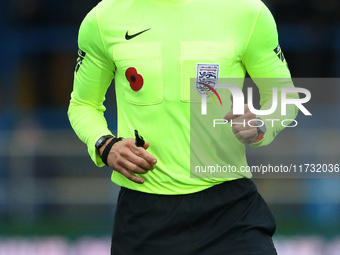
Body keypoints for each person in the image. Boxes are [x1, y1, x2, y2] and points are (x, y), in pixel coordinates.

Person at [68, 0, 298, 254]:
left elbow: (284, 95)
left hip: (230, 212)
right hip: (145, 216)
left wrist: (260, 122)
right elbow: (82, 104)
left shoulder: (248, 12)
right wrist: (104, 144)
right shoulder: (103, 19)